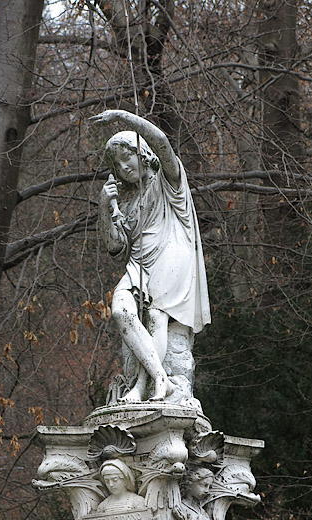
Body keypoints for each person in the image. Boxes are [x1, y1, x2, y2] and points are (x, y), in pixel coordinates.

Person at [90, 109, 211, 403]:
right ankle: (159, 379)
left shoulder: (169, 182)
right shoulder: (127, 202)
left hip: (171, 256)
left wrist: (122, 117)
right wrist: (104, 208)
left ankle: (146, 386)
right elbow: (115, 246)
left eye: (127, 157)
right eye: (117, 165)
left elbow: (162, 141)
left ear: (141, 152)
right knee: (120, 311)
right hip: (138, 267)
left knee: (156, 316)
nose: (123, 167)